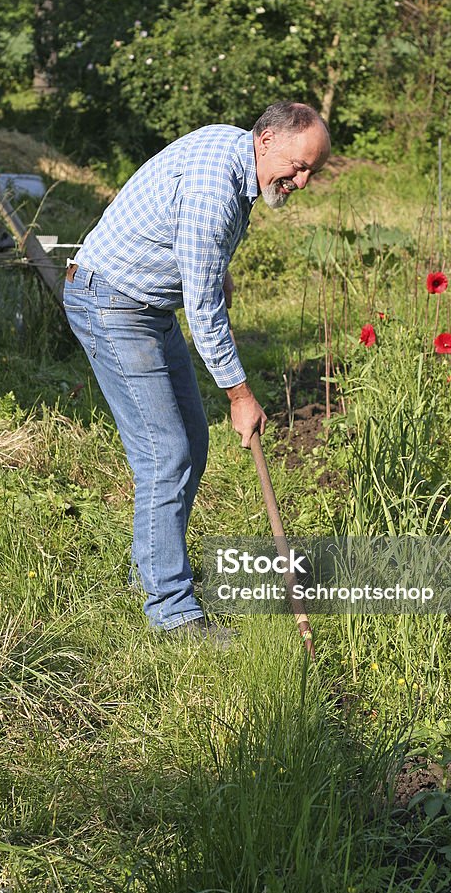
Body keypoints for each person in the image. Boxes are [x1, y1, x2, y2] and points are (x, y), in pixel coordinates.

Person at [63, 101, 331, 641]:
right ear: (268, 140)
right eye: (299, 166)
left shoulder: (232, 150)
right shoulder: (216, 190)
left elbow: (195, 250)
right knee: (167, 454)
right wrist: (239, 394)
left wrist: (216, 269)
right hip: (113, 305)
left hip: (146, 304)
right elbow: (203, 307)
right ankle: (172, 611)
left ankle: (161, 565)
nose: (302, 180)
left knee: (191, 442)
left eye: (312, 172)